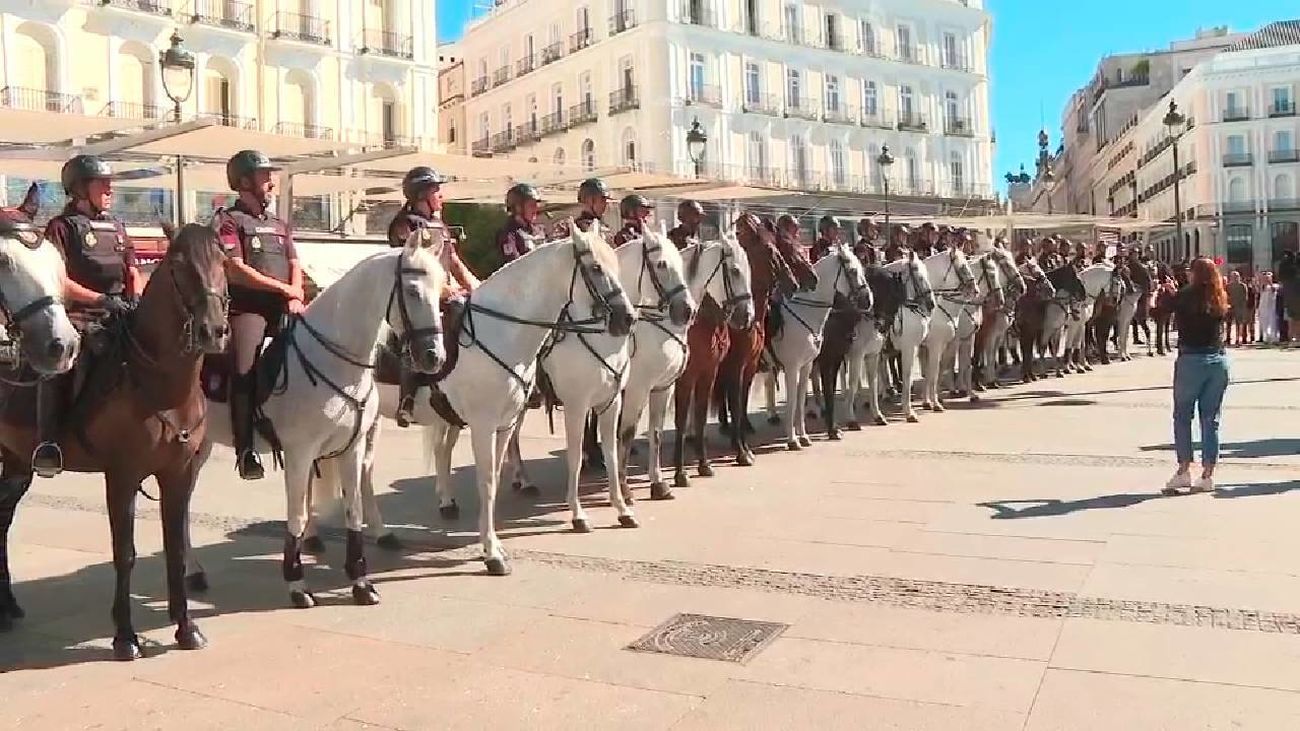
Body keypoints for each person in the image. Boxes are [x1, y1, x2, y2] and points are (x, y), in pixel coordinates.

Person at [32, 155, 143, 477]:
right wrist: (101, 300)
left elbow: (132, 270)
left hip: (120, 310)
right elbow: (59, 279)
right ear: (80, 188)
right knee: (64, 360)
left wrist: (133, 298)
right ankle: (48, 441)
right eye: (102, 183)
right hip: (78, 312)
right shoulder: (61, 227)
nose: (110, 189)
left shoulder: (118, 226)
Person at [214, 150, 304, 480]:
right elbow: (235, 270)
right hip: (248, 309)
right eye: (265, 176)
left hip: (285, 306)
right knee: (244, 370)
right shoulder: (228, 221)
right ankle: (246, 448)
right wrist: (284, 291)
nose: (271, 181)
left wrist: (296, 294)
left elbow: (295, 263)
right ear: (244, 182)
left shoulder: (279, 224)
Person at [387, 166, 482, 427]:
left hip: (445, 293)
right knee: (421, 331)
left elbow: (454, 261)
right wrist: (445, 289)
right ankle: (407, 400)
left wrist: (478, 287)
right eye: (436, 190)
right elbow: (418, 266)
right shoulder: (405, 226)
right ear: (421, 194)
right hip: (417, 297)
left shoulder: (439, 225)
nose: (441, 195)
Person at [1163, 257, 1231, 496]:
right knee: (1210, 419)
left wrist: (1171, 292)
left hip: (1191, 360)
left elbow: (1160, 310)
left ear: (1195, 274)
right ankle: (1207, 476)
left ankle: (1183, 470)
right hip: (1218, 361)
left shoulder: (1185, 296)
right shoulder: (1220, 297)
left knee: (1183, 415)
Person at [495, 182, 547, 266]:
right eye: (531, 205)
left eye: (536, 204)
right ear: (518, 207)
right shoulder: (508, 235)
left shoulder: (539, 230)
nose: (536, 209)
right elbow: (515, 266)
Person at [1225, 270, 1249, 346]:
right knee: (1228, 323)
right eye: (1233, 276)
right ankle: (1228, 338)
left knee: (1239, 324)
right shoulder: (1228, 286)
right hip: (1230, 307)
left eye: (1236, 276)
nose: (1235, 278)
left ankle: (1238, 339)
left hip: (1239, 307)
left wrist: (1243, 307)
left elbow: (1245, 297)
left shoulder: (1243, 286)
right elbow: (1226, 296)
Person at [1258, 271, 1280, 344]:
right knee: (1264, 324)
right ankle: (1266, 338)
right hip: (1263, 308)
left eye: (1268, 278)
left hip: (1271, 308)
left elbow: (1274, 289)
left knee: (1272, 323)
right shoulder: (1263, 287)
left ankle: (1274, 338)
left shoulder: (1275, 286)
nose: (1266, 279)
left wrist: (1269, 282)